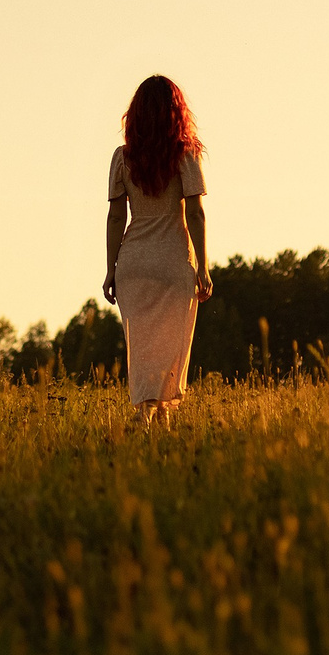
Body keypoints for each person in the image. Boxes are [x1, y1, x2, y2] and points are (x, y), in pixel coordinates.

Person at [102, 74, 212, 424]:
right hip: (173, 260)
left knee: (143, 347)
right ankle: (149, 411)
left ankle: (152, 420)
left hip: (133, 263)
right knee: (169, 346)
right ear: (176, 112)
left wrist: (110, 269)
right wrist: (204, 267)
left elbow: (116, 216)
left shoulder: (122, 157)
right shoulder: (186, 155)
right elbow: (194, 212)